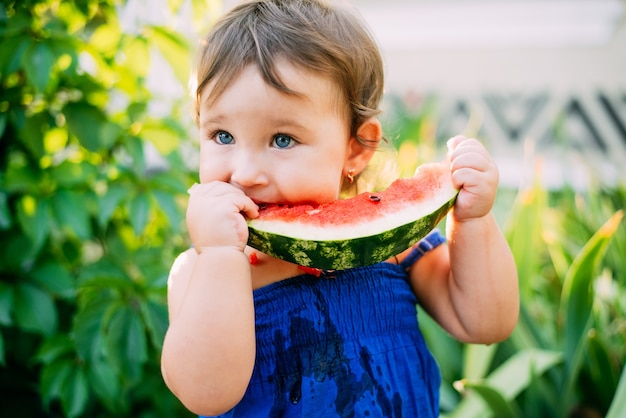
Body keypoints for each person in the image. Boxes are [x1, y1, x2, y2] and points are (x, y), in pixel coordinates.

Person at [160, 0, 519, 416]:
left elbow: (486, 323)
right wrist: (221, 258)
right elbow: (206, 393)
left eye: (282, 139)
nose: (245, 172)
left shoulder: (392, 249)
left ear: (356, 148)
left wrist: (474, 220)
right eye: (222, 135)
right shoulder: (197, 273)